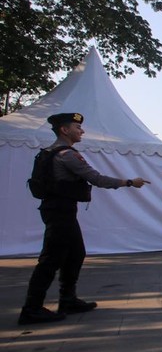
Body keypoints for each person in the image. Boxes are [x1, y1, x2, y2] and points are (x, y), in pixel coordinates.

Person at [18, 113, 151, 325]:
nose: (82, 131)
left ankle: (67, 299)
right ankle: (31, 308)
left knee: (75, 253)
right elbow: (96, 178)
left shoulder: (51, 153)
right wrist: (129, 182)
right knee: (50, 259)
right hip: (60, 211)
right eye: (77, 127)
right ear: (64, 130)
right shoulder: (66, 155)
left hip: (60, 210)